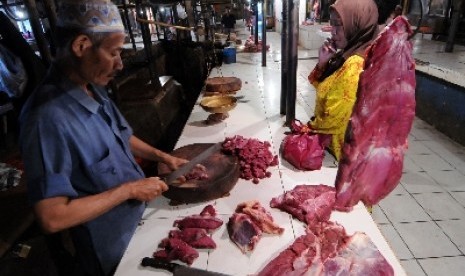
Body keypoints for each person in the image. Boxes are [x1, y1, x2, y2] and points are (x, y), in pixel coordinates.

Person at [19, 0, 187, 275]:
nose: (120, 64)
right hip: (114, 251)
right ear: (81, 45)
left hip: (141, 220)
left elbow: (123, 136)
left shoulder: (92, 87)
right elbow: (52, 217)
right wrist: (129, 190)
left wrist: (163, 157)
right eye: (113, 53)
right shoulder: (45, 120)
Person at [308, 0, 398, 161]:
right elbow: (327, 91)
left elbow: (332, 119)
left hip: (340, 152)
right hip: (330, 142)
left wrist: (306, 129)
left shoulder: (354, 64)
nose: (333, 32)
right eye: (332, 24)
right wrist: (323, 63)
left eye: (338, 25)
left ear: (357, 25)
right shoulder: (347, 54)